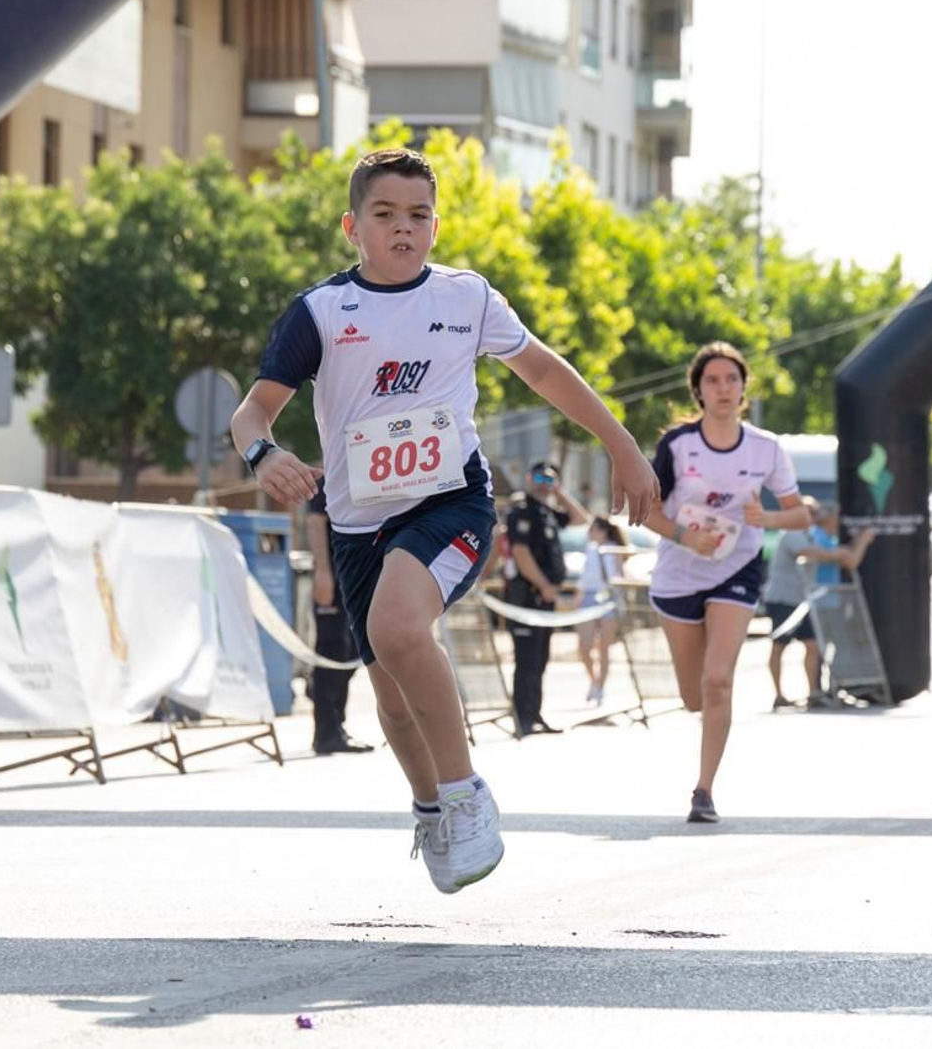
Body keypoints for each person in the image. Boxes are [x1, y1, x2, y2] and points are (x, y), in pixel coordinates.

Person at [229, 147, 658, 893]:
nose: (403, 228)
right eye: (385, 214)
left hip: (450, 501)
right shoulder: (320, 313)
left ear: (435, 225)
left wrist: (620, 443)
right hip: (358, 524)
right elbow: (252, 410)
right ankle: (430, 806)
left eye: (418, 215)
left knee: (399, 629)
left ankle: (465, 794)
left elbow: (544, 369)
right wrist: (263, 455)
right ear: (352, 227)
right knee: (391, 694)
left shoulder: (467, 298)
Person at [641, 342, 812, 824]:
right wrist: (684, 536)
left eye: (731, 379)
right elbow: (647, 510)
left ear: (743, 388)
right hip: (678, 575)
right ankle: (700, 716)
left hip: (737, 568)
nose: (723, 388)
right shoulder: (678, 446)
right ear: (698, 390)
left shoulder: (766, 447)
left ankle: (704, 791)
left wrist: (767, 518)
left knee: (718, 680)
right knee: (694, 696)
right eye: (712, 380)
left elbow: (801, 514)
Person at [761, 498, 874, 710]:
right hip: (783, 599)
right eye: (809, 513)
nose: (813, 517)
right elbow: (815, 554)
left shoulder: (810, 535)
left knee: (812, 645)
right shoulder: (792, 535)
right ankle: (778, 695)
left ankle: (813, 692)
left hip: (802, 601)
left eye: (813, 513)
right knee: (779, 647)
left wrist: (845, 549)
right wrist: (841, 552)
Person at [503, 461, 589, 736]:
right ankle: (522, 719)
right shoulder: (522, 510)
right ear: (529, 479)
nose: (544, 484)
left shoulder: (547, 512)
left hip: (545, 598)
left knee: (540, 659)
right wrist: (543, 585)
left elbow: (581, 519)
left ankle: (534, 714)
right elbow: (521, 553)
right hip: (527, 596)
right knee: (526, 660)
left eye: (550, 479)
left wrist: (560, 492)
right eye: (540, 478)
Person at [305, 482, 373, 754]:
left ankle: (334, 720)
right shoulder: (330, 478)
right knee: (332, 650)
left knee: (354, 651)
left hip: (354, 579)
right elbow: (315, 521)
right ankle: (327, 732)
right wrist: (322, 572)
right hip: (332, 578)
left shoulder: (362, 477)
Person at [574, 515, 626, 706]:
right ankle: (594, 681)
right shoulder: (590, 549)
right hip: (588, 597)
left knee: (604, 647)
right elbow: (586, 576)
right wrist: (578, 595)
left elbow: (618, 576)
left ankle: (600, 688)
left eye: (594, 529)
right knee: (584, 646)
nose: (590, 532)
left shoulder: (614, 549)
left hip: (608, 598)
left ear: (603, 531)